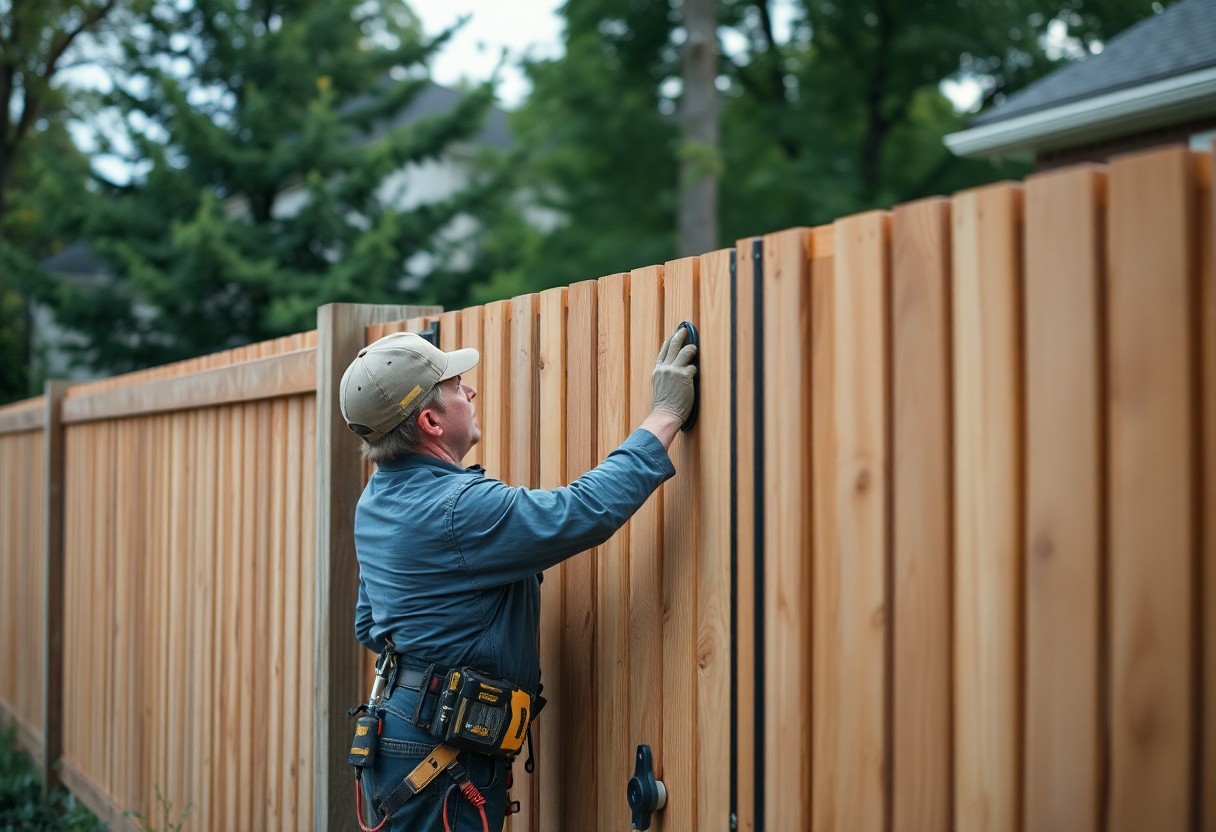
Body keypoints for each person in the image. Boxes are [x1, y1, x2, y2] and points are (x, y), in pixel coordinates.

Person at [339, 325, 697, 832]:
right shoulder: (458, 508)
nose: (470, 390)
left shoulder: (377, 502)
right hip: (441, 756)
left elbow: (372, 626)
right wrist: (665, 416)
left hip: (403, 739)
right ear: (430, 420)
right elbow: (582, 511)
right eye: (455, 386)